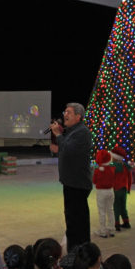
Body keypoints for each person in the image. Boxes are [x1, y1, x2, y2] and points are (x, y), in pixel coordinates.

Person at [49, 103, 93, 252]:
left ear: (78, 116)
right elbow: (67, 148)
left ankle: (78, 254)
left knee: (76, 223)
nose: (64, 115)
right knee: (74, 221)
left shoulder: (82, 132)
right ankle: (78, 251)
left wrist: (59, 135)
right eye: (64, 111)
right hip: (71, 183)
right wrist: (61, 136)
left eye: (68, 112)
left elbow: (68, 150)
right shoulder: (73, 131)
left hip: (77, 184)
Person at [92, 149, 115, 238]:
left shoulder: (98, 170)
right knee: (110, 210)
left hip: (101, 191)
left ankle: (103, 231)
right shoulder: (112, 169)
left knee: (102, 211)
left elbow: (94, 181)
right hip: (110, 191)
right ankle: (111, 229)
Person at [109, 146, 132, 231]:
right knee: (123, 206)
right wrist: (128, 188)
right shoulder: (126, 166)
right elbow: (130, 178)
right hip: (124, 189)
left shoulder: (112, 167)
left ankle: (117, 224)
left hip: (116, 189)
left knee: (116, 207)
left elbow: (110, 178)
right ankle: (126, 222)